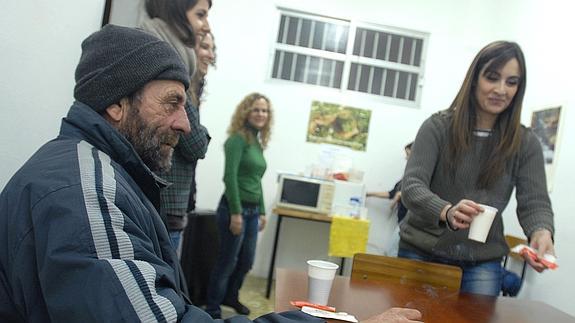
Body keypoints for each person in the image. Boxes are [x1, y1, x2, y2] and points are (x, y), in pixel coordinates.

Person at [0, 25, 422, 323]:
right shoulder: (86, 194)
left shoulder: (97, 172)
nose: (185, 125)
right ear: (116, 104)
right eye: (172, 103)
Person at [399, 41, 555, 297]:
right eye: (492, 78)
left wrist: (541, 231)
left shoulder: (525, 143)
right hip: (421, 251)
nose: (500, 90)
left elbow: (535, 200)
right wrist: (446, 211)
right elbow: (412, 187)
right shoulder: (438, 127)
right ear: (474, 79)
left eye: (511, 82)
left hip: (482, 259)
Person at [141, 0, 213, 251]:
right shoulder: (163, 63)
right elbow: (196, 145)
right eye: (201, 15)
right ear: (177, 12)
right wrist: (201, 134)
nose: (205, 26)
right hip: (161, 204)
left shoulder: (178, 66)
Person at [205, 93, 273, 318]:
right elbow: (230, 177)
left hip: (253, 212)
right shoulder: (237, 140)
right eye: (256, 110)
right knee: (227, 261)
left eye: (264, 110)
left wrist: (262, 210)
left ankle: (231, 296)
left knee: (246, 261)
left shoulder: (257, 142)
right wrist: (236, 213)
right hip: (234, 209)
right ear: (246, 112)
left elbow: (256, 180)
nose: (261, 114)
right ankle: (213, 307)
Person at [367, 142, 413, 256]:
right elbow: (392, 193)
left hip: (409, 223)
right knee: (391, 252)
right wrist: (369, 194)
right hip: (402, 221)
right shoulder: (408, 174)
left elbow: (420, 193)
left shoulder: (419, 175)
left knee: (391, 253)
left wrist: (402, 194)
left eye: (408, 154)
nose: (406, 158)